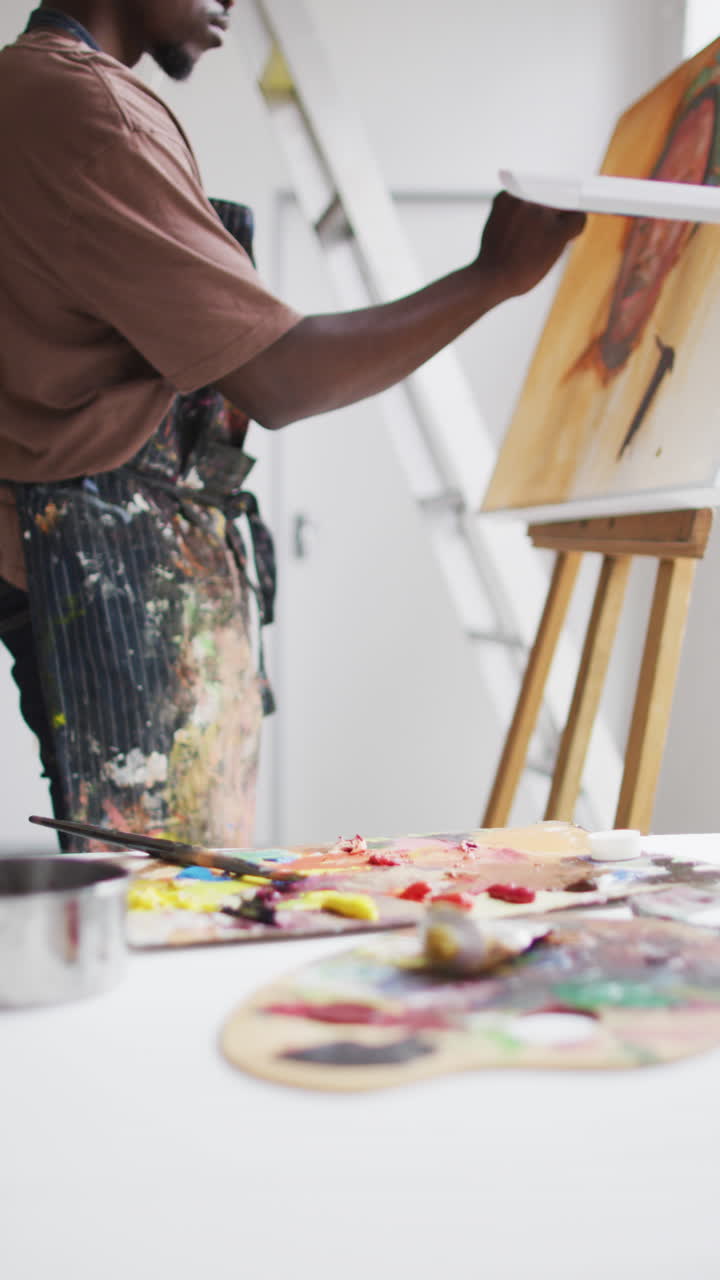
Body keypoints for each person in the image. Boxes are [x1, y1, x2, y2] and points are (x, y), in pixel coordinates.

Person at [0, 1, 586, 849]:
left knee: (151, 889)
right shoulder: (91, 111)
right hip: (94, 556)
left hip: (73, 545)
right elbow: (279, 377)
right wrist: (492, 278)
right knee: (165, 895)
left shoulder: (31, 92)